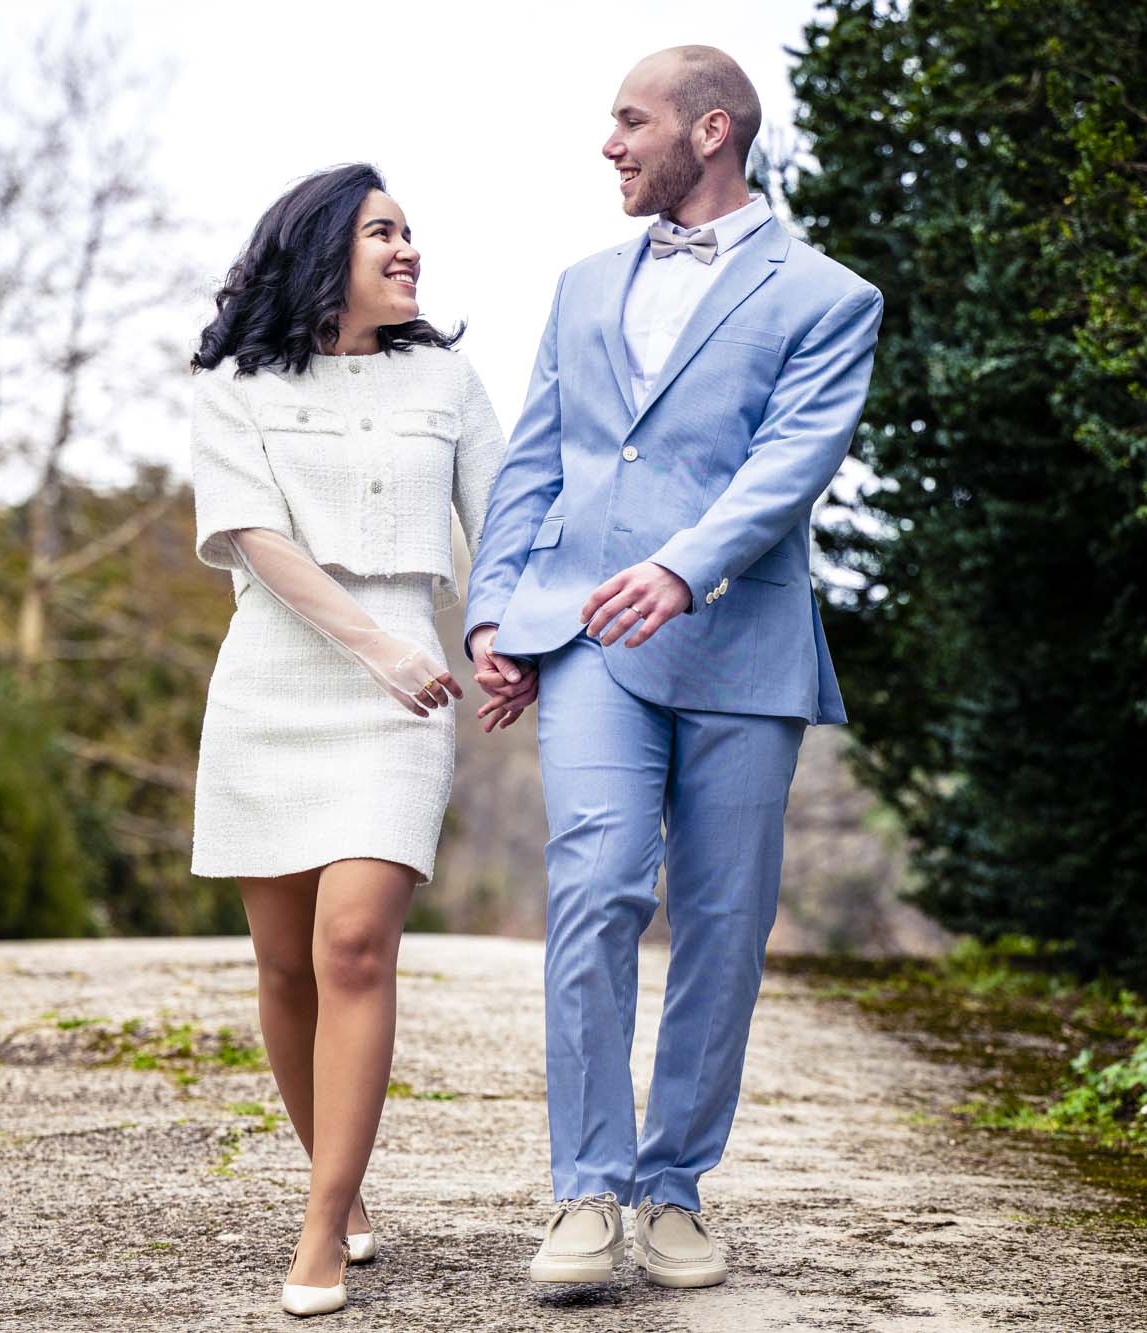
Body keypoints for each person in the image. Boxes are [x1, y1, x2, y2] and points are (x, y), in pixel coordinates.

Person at [464, 46, 883, 1290]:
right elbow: (534, 461)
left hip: (741, 644)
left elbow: (790, 463)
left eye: (630, 120)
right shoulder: (581, 287)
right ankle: (585, 1191)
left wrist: (683, 567)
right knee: (595, 886)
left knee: (723, 925)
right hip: (590, 633)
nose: (609, 143)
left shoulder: (829, 299)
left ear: (709, 132)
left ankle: (672, 1188)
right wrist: (496, 614)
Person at [187, 163, 514, 1317]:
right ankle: (343, 1177)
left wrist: (496, 634)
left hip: (403, 702)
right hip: (274, 688)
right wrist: (374, 645)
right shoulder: (234, 384)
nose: (408, 247)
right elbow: (251, 535)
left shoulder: (447, 377)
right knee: (284, 968)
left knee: (354, 947)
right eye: (383, 230)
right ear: (322, 248)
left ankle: (320, 1227)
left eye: (410, 230)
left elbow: (505, 518)